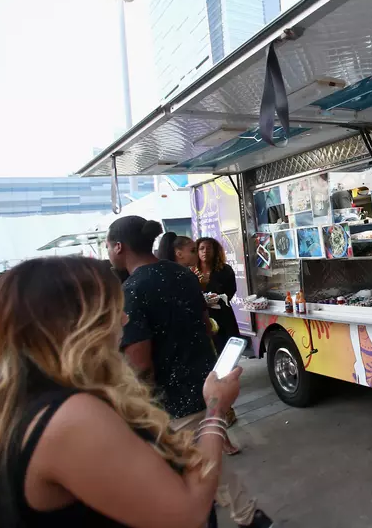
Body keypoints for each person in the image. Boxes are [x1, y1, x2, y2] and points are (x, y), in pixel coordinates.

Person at [0, 256, 239, 528]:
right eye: (113, 309)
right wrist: (215, 408)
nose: (125, 320)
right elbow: (187, 512)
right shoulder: (72, 417)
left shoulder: (22, 404)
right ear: (77, 323)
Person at [107, 216, 273, 528]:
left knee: (195, 475)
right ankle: (251, 518)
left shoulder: (131, 291)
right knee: (206, 464)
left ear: (119, 247)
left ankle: (250, 519)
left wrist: (137, 409)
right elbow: (206, 326)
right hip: (204, 384)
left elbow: (139, 361)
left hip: (170, 402)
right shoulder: (183, 275)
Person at [156, 233, 241, 454]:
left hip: (199, 343)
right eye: (194, 250)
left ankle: (222, 436)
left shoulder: (187, 276)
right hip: (194, 348)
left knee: (211, 389)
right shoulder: (183, 276)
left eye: (201, 249)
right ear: (178, 253)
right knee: (207, 396)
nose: (199, 254)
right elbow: (199, 315)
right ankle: (217, 440)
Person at [195, 237, 242, 355]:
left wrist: (218, 297)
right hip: (201, 317)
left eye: (209, 248)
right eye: (201, 248)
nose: (205, 251)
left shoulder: (225, 270)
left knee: (225, 352)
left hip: (223, 316)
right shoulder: (191, 271)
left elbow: (230, 291)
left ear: (215, 251)